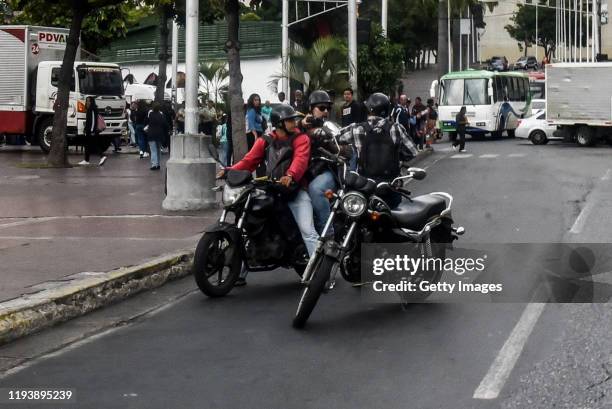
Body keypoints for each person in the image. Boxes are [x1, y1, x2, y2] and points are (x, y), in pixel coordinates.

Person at [217, 105, 319, 264]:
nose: (294, 123)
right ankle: (240, 272)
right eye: (290, 120)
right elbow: (248, 161)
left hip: (295, 190)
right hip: (272, 189)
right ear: (279, 123)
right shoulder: (266, 140)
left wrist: (290, 175)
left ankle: (319, 272)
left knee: (308, 231)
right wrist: (229, 170)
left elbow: (300, 160)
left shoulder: (301, 139)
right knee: (251, 226)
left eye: (294, 120)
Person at [339, 92, 417, 209]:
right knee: (395, 221)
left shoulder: (356, 128)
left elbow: (335, 138)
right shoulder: (396, 128)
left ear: (369, 110)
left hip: (365, 187)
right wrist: (398, 158)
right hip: (391, 186)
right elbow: (413, 152)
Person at [300, 90, 351, 236]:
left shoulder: (330, 126)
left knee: (316, 189)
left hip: (325, 170)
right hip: (302, 172)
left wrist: (331, 144)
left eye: (328, 108)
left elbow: (348, 150)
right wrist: (303, 124)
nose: (325, 111)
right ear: (311, 108)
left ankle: (327, 235)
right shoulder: (301, 125)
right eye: (321, 108)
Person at [79, 96, 107, 166]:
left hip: (92, 131)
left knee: (94, 144)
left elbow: (93, 121)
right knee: (88, 145)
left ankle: (102, 156)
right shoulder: (89, 109)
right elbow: (88, 121)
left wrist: (92, 131)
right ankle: (86, 160)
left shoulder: (92, 109)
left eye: (89, 101)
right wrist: (86, 129)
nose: (87, 102)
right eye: (87, 101)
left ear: (92, 102)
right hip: (89, 130)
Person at [146, 102, 168, 170]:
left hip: (151, 134)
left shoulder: (150, 114)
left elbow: (146, 122)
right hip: (160, 134)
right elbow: (165, 124)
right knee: (158, 149)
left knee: (153, 150)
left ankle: (154, 164)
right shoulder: (161, 115)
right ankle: (158, 164)